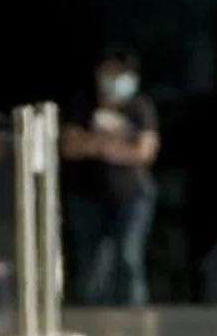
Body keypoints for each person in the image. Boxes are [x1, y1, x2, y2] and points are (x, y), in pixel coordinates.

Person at [60, 45, 160, 307]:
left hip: (131, 195)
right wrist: (113, 145)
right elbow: (70, 145)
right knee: (92, 261)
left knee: (129, 255)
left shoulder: (139, 106)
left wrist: (98, 145)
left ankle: (133, 310)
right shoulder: (84, 103)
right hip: (88, 195)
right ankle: (92, 314)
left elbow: (144, 151)